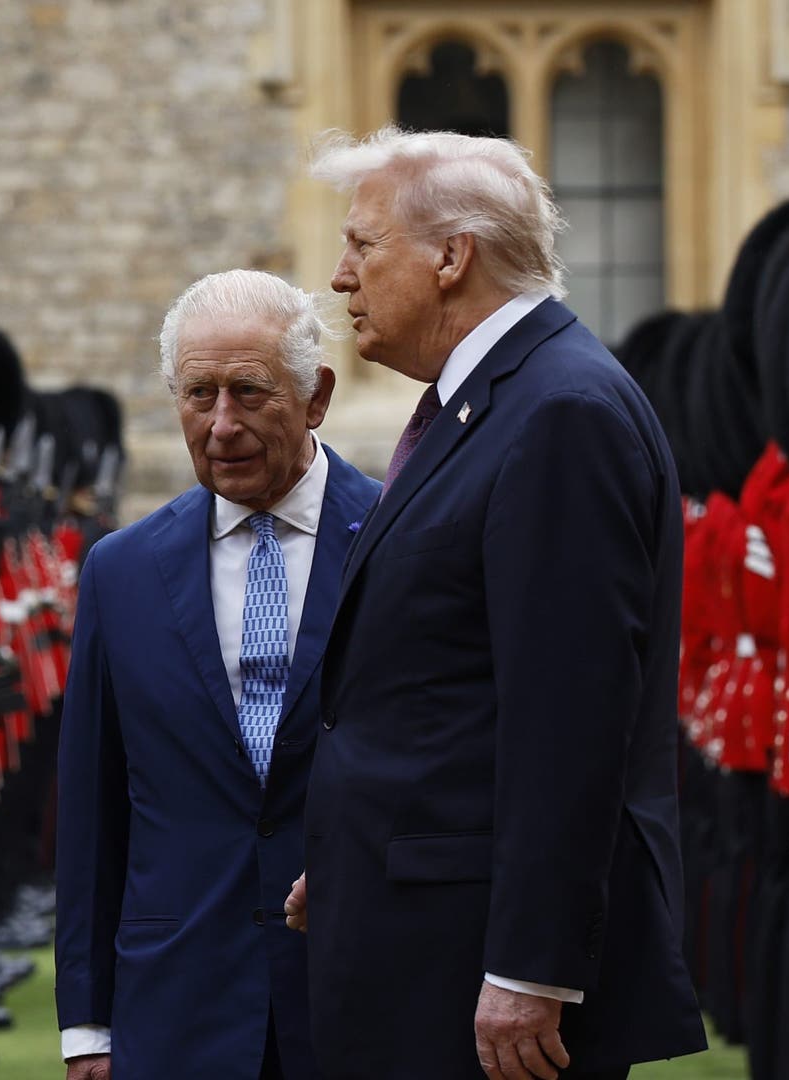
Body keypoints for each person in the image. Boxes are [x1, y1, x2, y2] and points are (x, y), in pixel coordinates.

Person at [288, 127, 706, 1079]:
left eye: (362, 244)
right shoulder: (490, 405)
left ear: (451, 257)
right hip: (423, 929)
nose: (341, 276)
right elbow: (443, 684)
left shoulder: (558, 413)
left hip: (483, 968)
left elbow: (569, 716)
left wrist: (533, 962)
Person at [56, 269, 378, 1079]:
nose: (223, 425)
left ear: (316, 398)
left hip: (360, 996)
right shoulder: (121, 572)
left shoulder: (399, 541)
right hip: (178, 1005)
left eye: (249, 391)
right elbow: (93, 810)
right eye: (199, 395)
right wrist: (87, 1027)